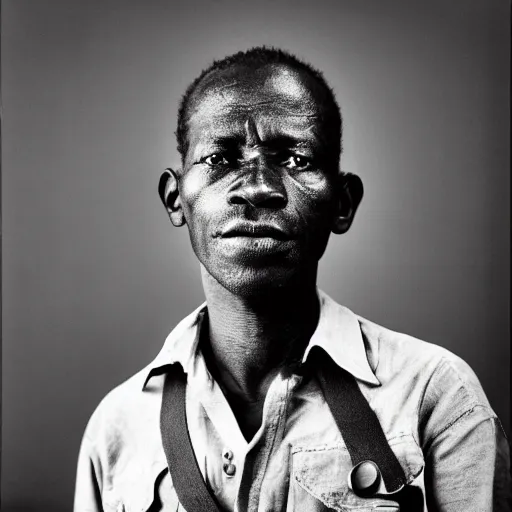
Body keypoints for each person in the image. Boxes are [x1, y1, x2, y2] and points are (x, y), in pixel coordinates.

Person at [73, 47, 510, 512]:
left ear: (341, 203)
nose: (258, 187)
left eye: (296, 159)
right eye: (220, 159)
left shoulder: (436, 397)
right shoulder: (117, 428)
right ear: (176, 198)